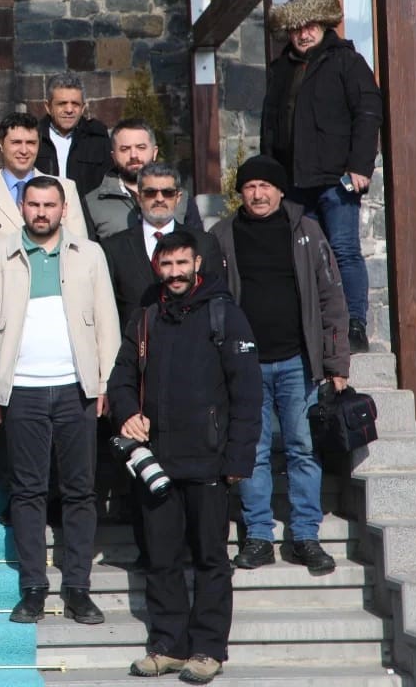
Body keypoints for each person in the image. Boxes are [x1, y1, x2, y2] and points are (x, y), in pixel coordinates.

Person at [107, 230, 262, 684]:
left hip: (210, 461)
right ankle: (168, 646)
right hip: (157, 463)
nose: (174, 273)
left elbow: (247, 393)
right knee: (161, 558)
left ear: (197, 264)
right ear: (157, 266)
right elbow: (120, 378)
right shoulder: (145, 317)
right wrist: (127, 413)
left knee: (211, 558)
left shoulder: (225, 314)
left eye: (182, 264)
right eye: (167, 264)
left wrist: (239, 459)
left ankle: (208, 649)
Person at [0, 176, 119, 626]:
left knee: (80, 491)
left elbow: (107, 322)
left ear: (63, 209)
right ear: (21, 207)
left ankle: (78, 588)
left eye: (50, 205)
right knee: (27, 492)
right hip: (21, 390)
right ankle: (34, 588)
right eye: (34, 204)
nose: (41, 212)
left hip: (77, 389)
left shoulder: (89, 254)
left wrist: (104, 384)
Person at [209, 155, 350, 577]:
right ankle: (258, 535)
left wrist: (336, 362)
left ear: (280, 191)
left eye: (265, 186)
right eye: (250, 186)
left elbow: (331, 297)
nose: (258, 194)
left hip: (297, 362)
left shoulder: (306, 231)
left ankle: (305, 535)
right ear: (240, 192)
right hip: (245, 365)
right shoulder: (222, 236)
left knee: (302, 448)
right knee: (252, 451)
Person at [262, 0, 382, 354]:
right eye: (296, 28)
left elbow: (368, 111)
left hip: (336, 179)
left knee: (344, 250)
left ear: (324, 25)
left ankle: (355, 326)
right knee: (305, 256)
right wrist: (270, 178)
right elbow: (270, 128)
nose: (303, 34)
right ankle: (315, 328)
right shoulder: (280, 70)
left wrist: (360, 165)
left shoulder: (346, 60)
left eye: (309, 26)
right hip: (294, 183)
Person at [101, 163, 224, 331]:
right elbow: (107, 311)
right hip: (136, 343)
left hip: (192, 341)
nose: (159, 199)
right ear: (139, 197)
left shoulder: (205, 243)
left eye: (167, 192)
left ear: (178, 198)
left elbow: (218, 301)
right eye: (151, 192)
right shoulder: (113, 248)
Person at [0, 112, 88, 268]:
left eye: (31, 143)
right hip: (4, 280)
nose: (24, 150)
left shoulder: (66, 188)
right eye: (16, 142)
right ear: (1, 144)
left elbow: (80, 248)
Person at [84, 119, 202, 241]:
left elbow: (199, 244)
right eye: (125, 149)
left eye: (141, 147)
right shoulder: (93, 203)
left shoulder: (181, 199)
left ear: (154, 152)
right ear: (113, 156)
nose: (133, 155)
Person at [34, 72, 113, 231]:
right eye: (62, 104)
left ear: (83, 107)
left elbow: (109, 185)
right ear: (48, 107)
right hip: (41, 221)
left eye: (75, 104)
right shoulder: (34, 139)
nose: (69, 109)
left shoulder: (98, 139)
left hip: (88, 223)